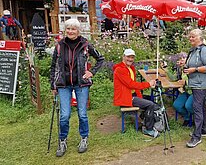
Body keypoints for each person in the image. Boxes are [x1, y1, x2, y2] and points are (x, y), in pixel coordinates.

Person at [50, 19, 105, 157]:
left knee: (82, 114)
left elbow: (100, 59)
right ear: (65, 30)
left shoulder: (86, 45)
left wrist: (91, 72)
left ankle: (84, 139)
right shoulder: (59, 45)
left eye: (73, 29)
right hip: (63, 84)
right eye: (68, 28)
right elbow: (53, 66)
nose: (70, 31)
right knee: (64, 115)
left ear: (78, 31)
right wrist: (53, 85)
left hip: (82, 83)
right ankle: (62, 140)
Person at [113, 48, 161, 138]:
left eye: (132, 57)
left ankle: (145, 120)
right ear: (123, 57)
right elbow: (131, 84)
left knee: (152, 100)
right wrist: (148, 84)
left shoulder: (131, 68)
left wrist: (141, 96)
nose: (130, 59)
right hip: (125, 97)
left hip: (131, 95)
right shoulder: (120, 69)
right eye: (128, 57)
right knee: (150, 105)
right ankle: (149, 129)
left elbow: (134, 85)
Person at [184, 29, 206, 148]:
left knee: (197, 109)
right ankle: (203, 130)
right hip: (196, 83)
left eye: (193, 37)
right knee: (201, 107)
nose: (191, 39)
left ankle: (196, 137)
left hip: (201, 84)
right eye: (190, 37)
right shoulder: (193, 51)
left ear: (200, 38)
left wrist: (194, 70)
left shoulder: (204, 50)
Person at [170, 54, 193, 127]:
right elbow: (173, 78)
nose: (182, 60)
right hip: (185, 91)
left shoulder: (191, 68)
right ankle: (187, 117)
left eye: (184, 58)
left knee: (188, 106)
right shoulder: (180, 69)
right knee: (176, 105)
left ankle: (196, 119)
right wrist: (166, 69)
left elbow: (196, 81)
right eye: (180, 58)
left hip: (194, 91)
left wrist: (185, 82)